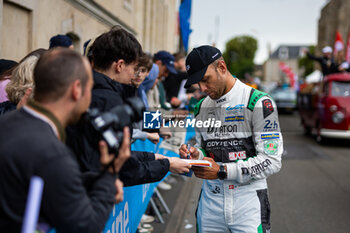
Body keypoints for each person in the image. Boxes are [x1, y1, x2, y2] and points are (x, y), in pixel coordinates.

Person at [0, 48, 130, 232]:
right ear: (77, 90)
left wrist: (95, 181)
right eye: (90, 88)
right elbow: (86, 225)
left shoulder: (8, 122)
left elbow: (49, 179)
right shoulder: (51, 151)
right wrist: (109, 175)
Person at [66, 27, 191, 187]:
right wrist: (166, 164)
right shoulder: (110, 99)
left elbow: (107, 151)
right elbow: (121, 166)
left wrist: (153, 158)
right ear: (119, 65)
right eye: (135, 69)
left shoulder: (83, 89)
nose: (137, 75)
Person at [179, 45, 283, 233]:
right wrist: (196, 154)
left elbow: (271, 161)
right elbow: (204, 148)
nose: (202, 88)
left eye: (205, 80)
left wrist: (222, 170)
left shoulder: (259, 102)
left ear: (222, 67)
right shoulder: (201, 107)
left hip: (248, 203)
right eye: (197, 83)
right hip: (211, 203)